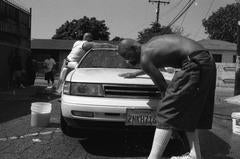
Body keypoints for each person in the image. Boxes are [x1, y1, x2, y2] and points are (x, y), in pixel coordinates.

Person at [118, 34, 216, 159]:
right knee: (188, 111)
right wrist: (137, 73)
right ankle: (194, 155)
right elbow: (154, 62)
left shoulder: (144, 58)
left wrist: (169, 119)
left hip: (194, 63)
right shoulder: (150, 45)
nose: (128, 61)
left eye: (128, 56)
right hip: (205, 60)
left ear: (135, 47)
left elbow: (163, 87)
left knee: (165, 111)